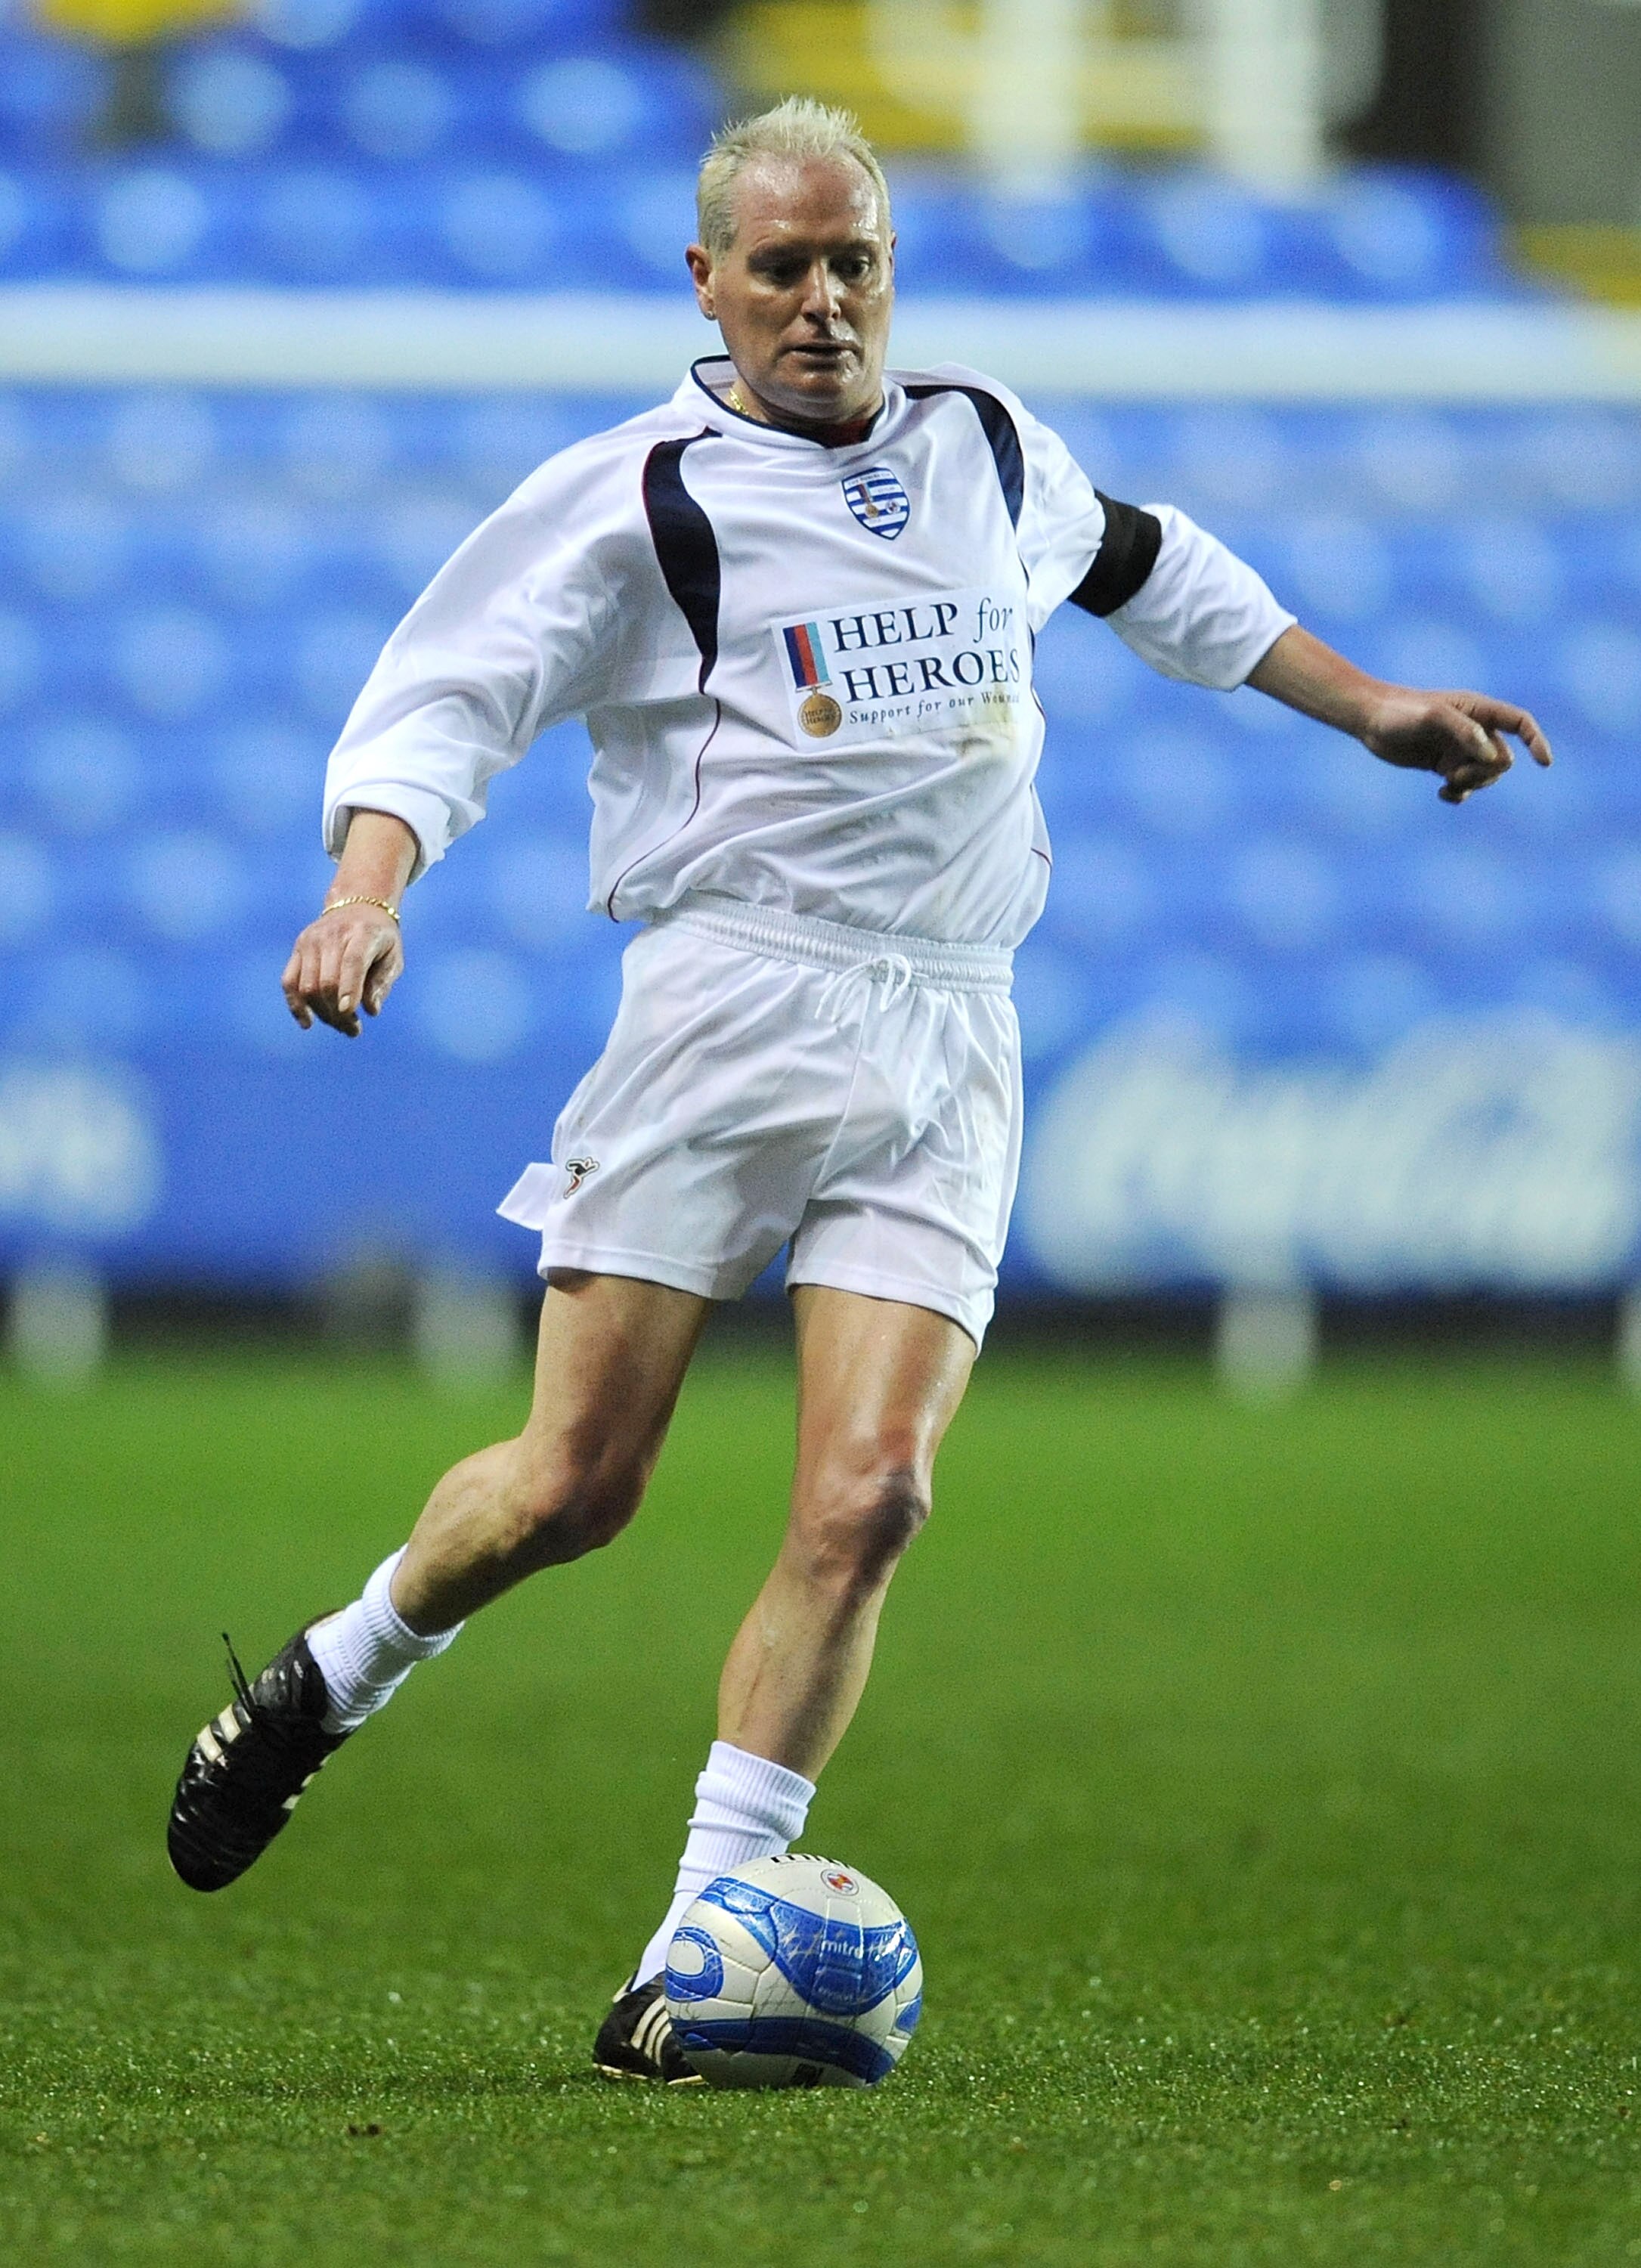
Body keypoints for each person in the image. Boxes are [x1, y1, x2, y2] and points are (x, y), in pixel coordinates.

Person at [167, 98, 1551, 2082]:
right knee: (573, 1488)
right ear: (706, 282)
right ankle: (332, 1677)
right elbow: (448, 697)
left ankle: (690, 1953)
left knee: (873, 1495)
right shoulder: (636, 495)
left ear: (891, 269)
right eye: (782, 268)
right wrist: (364, 891)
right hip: (729, 1008)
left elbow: (1153, 567)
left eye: (856, 264)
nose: (823, 303)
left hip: (950, 1024)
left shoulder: (986, 447)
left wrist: (1373, 708)